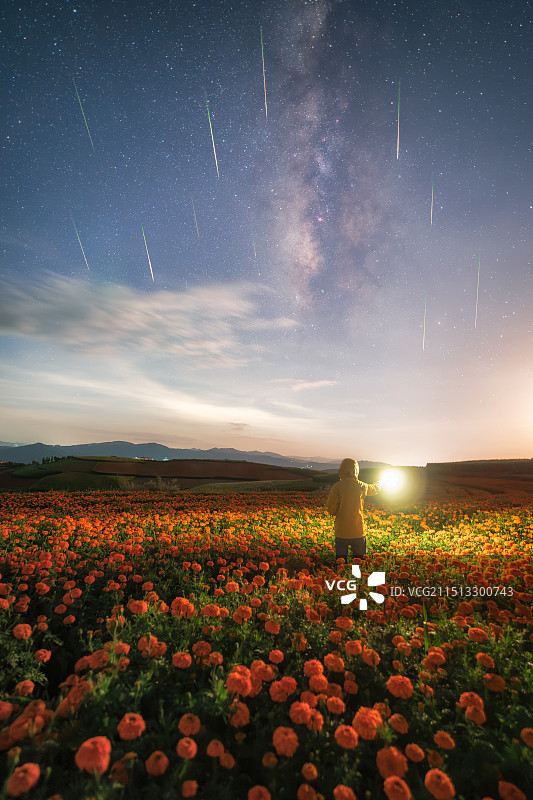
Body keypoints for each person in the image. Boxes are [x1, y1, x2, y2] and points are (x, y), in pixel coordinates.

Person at [326, 458, 382, 563]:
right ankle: (357, 578)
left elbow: (330, 508)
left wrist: (338, 511)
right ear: (356, 470)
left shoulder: (337, 487)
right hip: (358, 531)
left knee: (341, 562)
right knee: (359, 562)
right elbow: (374, 489)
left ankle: (342, 577)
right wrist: (380, 483)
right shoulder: (361, 486)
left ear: (341, 470)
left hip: (341, 532)